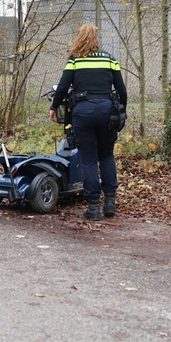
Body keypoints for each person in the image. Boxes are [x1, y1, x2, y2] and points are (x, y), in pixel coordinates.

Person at [49, 24, 127, 220]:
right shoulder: (110, 59)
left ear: (79, 40)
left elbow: (62, 88)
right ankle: (110, 203)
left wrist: (54, 107)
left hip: (83, 113)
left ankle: (93, 208)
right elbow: (122, 91)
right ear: (95, 40)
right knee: (107, 156)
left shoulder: (74, 61)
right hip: (107, 112)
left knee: (89, 159)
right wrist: (121, 111)